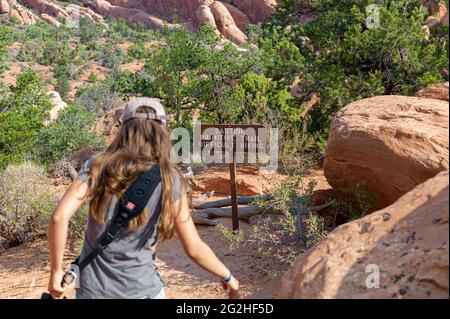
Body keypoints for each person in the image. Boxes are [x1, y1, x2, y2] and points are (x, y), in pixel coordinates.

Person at [47, 97, 240, 299]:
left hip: (94, 291)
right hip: (142, 290)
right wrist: (227, 276)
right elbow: (193, 247)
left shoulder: (97, 165)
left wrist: (55, 272)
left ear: (124, 129)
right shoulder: (169, 178)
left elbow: (59, 218)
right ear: (162, 131)